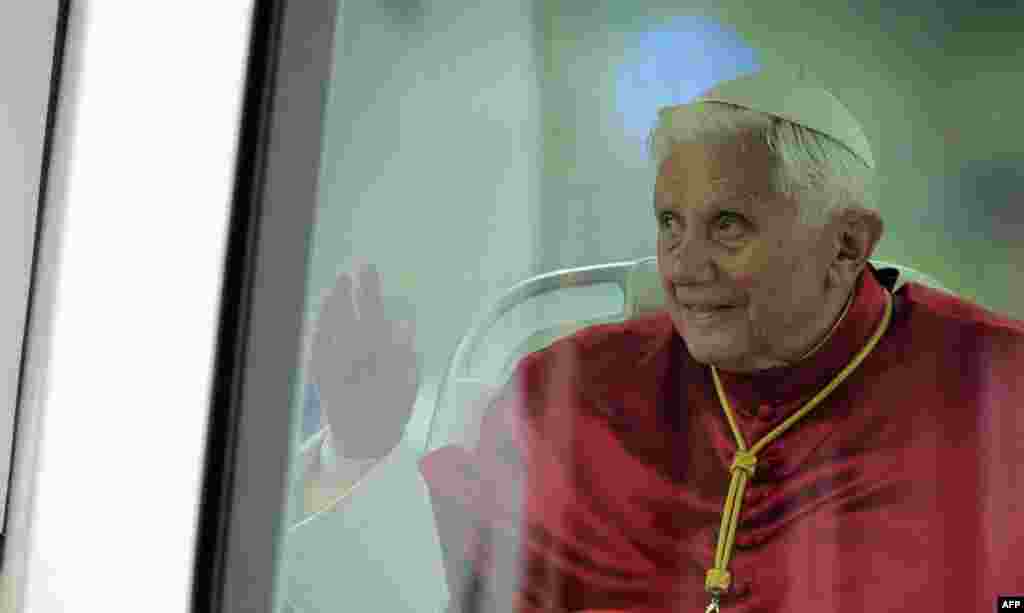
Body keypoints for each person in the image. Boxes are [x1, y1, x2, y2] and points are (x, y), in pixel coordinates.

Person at [295, 70, 1024, 612]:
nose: (684, 267)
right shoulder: (567, 390)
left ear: (845, 246)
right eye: (670, 223)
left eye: (728, 226)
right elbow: (430, 581)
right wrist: (360, 445)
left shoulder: (1000, 390)